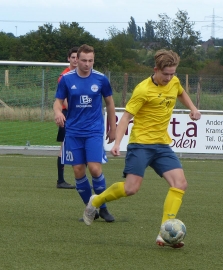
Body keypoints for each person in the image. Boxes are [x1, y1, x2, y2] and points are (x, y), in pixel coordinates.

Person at [82, 49, 201, 248]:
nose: (170, 78)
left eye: (173, 73)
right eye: (166, 74)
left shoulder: (174, 82)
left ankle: (165, 231)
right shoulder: (143, 90)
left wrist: (193, 108)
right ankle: (96, 201)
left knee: (180, 183)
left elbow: (180, 92)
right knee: (131, 189)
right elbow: (126, 117)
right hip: (141, 145)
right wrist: (118, 142)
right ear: (156, 70)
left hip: (162, 145)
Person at [54, 44, 116, 222]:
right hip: (73, 131)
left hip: (94, 130)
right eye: (83, 60)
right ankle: (91, 209)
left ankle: (102, 208)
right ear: (76, 60)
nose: (87, 64)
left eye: (91, 61)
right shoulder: (66, 79)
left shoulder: (101, 79)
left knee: (95, 169)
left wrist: (112, 128)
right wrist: (58, 112)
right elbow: (57, 102)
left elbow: (110, 103)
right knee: (78, 171)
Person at [56, 47, 78, 189]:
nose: (76, 60)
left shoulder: (80, 75)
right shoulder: (64, 76)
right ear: (68, 59)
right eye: (73, 57)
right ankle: (60, 180)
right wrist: (76, 110)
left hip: (77, 115)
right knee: (64, 147)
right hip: (68, 114)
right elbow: (62, 99)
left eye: (78, 57)